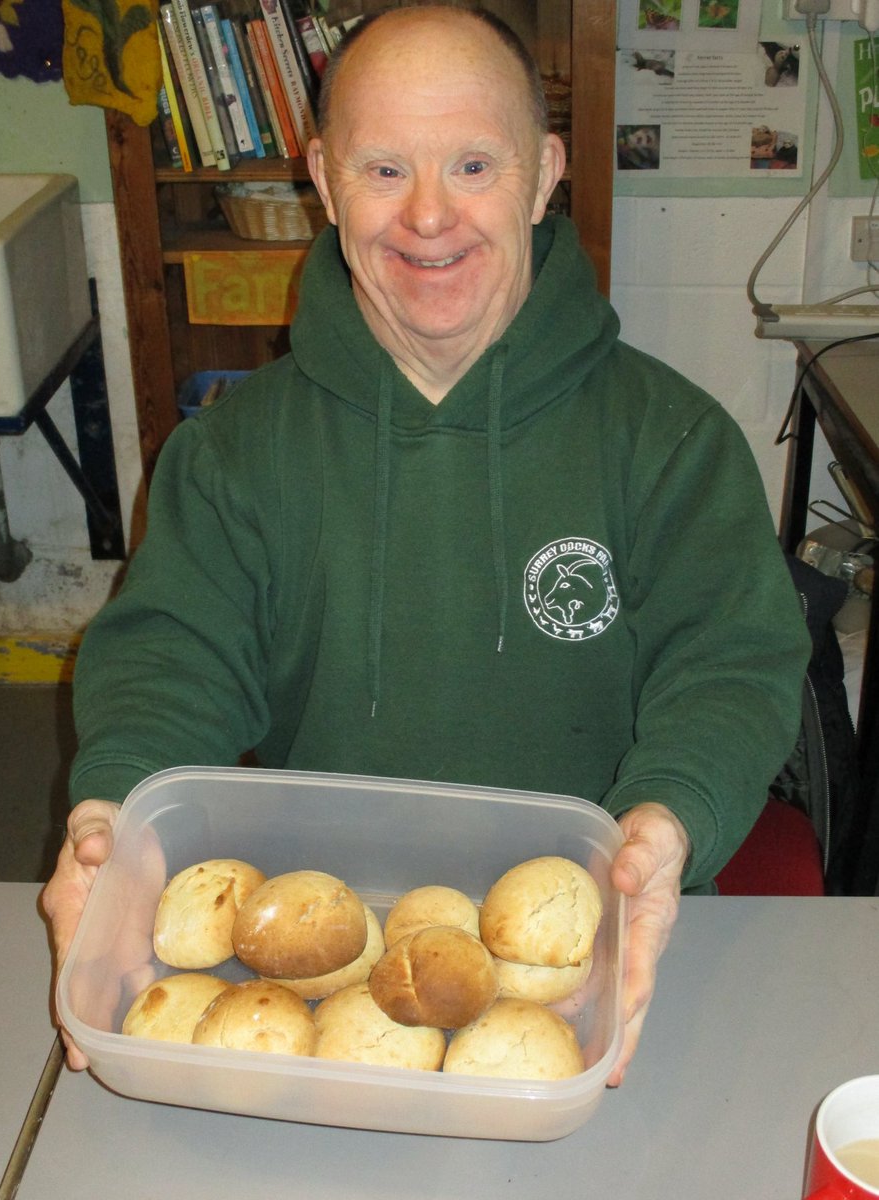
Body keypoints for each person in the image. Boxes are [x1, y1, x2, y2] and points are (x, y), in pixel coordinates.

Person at [43, 3, 810, 1085]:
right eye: (385, 169)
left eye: (474, 165)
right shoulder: (232, 453)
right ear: (323, 180)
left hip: (606, 961)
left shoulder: (674, 442)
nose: (430, 215)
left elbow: (730, 665)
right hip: (326, 973)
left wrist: (665, 827)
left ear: (545, 177)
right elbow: (171, 658)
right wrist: (114, 827)